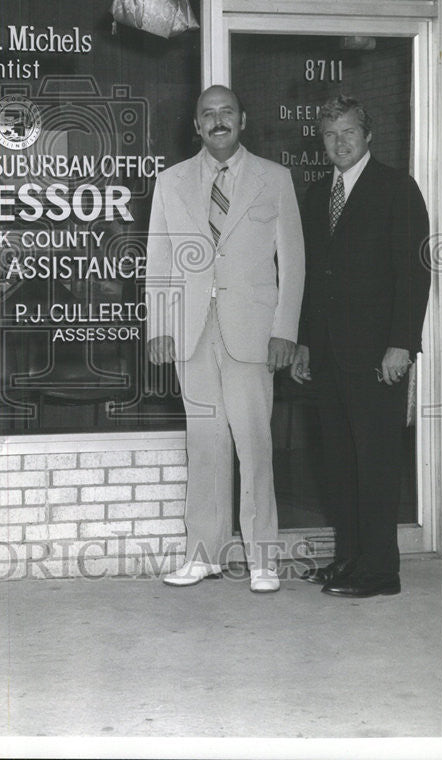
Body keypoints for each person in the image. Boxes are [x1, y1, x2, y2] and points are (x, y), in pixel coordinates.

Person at [146, 85, 304, 592]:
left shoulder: (274, 180)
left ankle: (263, 559)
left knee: (254, 444)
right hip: (192, 332)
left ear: (243, 119)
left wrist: (285, 329)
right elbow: (160, 262)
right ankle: (203, 554)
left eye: (226, 112)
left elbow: (293, 263)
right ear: (196, 126)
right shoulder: (170, 183)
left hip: (252, 332)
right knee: (206, 442)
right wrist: (160, 327)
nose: (218, 121)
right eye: (207, 114)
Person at [290, 95, 430, 598]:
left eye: (348, 132)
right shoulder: (314, 194)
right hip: (326, 355)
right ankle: (348, 559)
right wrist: (305, 344)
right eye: (330, 135)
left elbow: (413, 275)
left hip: (377, 357)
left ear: (368, 135)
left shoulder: (397, 189)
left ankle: (380, 571)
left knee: (375, 462)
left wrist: (401, 345)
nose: (340, 142)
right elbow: (308, 278)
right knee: (338, 463)